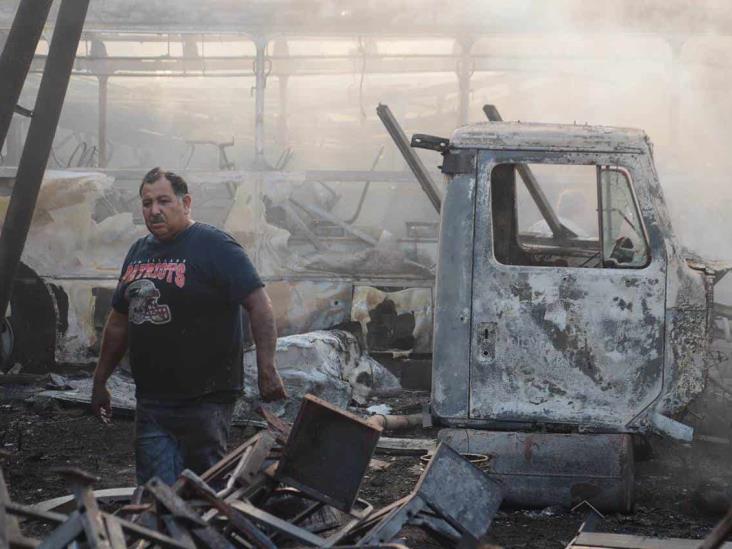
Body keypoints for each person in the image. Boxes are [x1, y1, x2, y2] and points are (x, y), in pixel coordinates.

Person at [91, 167, 287, 485]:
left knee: (204, 492)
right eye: (146, 203)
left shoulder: (215, 246)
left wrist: (267, 367)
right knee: (155, 493)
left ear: (186, 203)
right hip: (153, 399)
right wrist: (100, 381)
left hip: (206, 399)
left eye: (164, 201)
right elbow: (118, 322)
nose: (154, 210)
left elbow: (259, 304)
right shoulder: (138, 252)